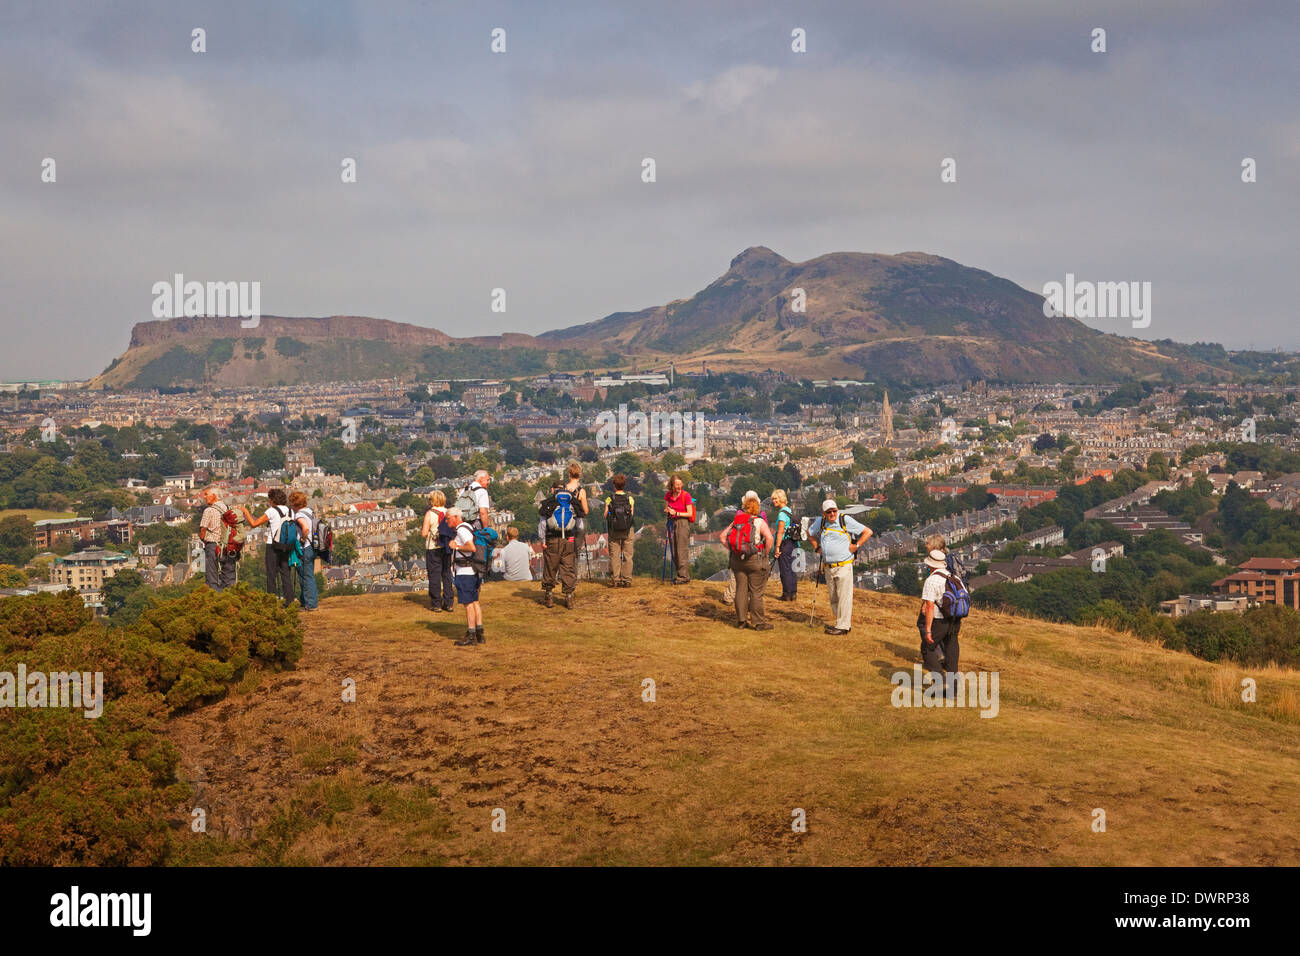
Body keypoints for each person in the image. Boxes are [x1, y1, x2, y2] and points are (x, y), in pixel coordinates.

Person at [808, 498, 873, 636]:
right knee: (834, 597)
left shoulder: (845, 520)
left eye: (834, 511)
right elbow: (809, 533)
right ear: (823, 513)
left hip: (844, 565)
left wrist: (856, 546)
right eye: (829, 512)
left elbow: (867, 532)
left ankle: (843, 626)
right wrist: (816, 547)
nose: (832, 514)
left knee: (844, 597)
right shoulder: (821, 521)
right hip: (828, 566)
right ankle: (841, 623)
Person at [721, 494, 774, 630]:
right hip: (755, 559)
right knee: (756, 592)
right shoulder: (759, 522)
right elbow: (769, 539)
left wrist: (733, 550)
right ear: (757, 508)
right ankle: (758, 623)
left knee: (740, 589)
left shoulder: (737, 521)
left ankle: (741, 621)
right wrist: (765, 554)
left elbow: (722, 537)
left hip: (737, 560)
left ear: (744, 507)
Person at [919, 547, 962, 695]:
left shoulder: (932, 580)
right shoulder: (954, 576)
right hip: (956, 620)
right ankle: (953, 689)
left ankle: (940, 682)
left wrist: (928, 630)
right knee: (952, 652)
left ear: (930, 565)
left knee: (927, 648)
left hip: (940, 620)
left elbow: (930, 606)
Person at [240, 488, 293, 607]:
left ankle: (271, 602)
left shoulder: (271, 511)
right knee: (285, 573)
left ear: (273, 500)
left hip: (273, 545)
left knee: (271, 575)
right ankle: (289, 601)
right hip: (287, 545)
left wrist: (245, 512)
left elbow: (254, 524)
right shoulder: (290, 511)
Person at [539, 480, 578, 608]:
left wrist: (542, 540)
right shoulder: (572, 502)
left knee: (551, 566)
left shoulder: (548, 503)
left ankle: (549, 596)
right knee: (568, 567)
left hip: (552, 539)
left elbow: (543, 524)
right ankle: (569, 597)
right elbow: (580, 524)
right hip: (569, 540)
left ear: (552, 490)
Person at [448, 511, 484, 646]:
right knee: (475, 601)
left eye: (448, 518)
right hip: (474, 570)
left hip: (465, 571)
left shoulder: (462, 530)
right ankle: (480, 633)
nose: (447, 521)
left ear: (456, 517)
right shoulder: (469, 527)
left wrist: (456, 546)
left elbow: (471, 547)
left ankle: (471, 635)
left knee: (468, 604)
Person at [198, 487, 237, 591]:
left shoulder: (209, 510)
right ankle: (230, 597)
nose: (204, 497)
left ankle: (215, 600)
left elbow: (203, 530)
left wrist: (204, 540)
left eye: (206, 494)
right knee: (229, 576)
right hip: (229, 545)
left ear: (214, 496)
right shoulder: (227, 508)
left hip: (213, 546)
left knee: (212, 577)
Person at [421, 490, 453, 611]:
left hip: (433, 547)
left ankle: (436, 604)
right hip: (446, 547)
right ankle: (449, 602)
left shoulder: (430, 513)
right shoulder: (449, 513)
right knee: (446, 574)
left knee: (434, 575)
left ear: (432, 500)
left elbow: (424, 533)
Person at [604, 472, 635, 587]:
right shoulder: (629, 499)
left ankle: (616, 579)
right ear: (624, 485)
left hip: (614, 530)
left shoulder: (609, 499)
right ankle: (627, 580)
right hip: (627, 530)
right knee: (628, 555)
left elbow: (605, 514)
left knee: (614, 555)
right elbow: (631, 514)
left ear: (614, 486)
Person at [663, 474, 695, 585]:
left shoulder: (686, 495)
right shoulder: (668, 495)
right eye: (677, 484)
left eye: (680, 484)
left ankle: (684, 576)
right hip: (672, 522)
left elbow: (690, 513)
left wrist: (676, 513)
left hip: (682, 522)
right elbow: (667, 506)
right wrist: (667, 510)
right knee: (674, 550)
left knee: (681, 550)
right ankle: (680, 574)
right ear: (671, 485)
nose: (679, 486)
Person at [289, 490, 318, 611]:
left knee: (306, 576)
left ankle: (311, 604)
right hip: (313, 547)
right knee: (305, 575)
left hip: (305, 547)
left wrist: (302, 539)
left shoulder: (299, 515)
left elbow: (305, 528)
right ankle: (305, 601)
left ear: (295, 504)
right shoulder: (310, 511)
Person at [564, 461, 590, 579]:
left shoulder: (564, 489)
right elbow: (586, 511)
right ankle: (573, 576)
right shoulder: (581, 491)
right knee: (576, 550)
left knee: (565, 550)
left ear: (569, 474)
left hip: (566, 523)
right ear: (579, 475)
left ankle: (564, 574)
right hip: (579, 523)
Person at [772, 489, 798, 602]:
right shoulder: (789, 510)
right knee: (791, 568)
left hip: (784, 544)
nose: (773, 501)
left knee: (785, 569)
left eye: (775, 498)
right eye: (773, 499)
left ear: (781, 499)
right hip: (792, 543)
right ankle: (793, 593)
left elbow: (781, 531)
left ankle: (786, 594)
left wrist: (777, 547)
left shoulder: (782, 513)